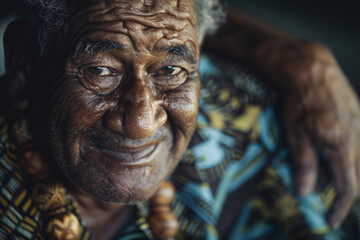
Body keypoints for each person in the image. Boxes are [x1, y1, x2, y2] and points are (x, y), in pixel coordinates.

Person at [1, 0, 360, 239]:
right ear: (24, 62)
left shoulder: (252, 122)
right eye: (100, 71)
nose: (142, 122)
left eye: (171, 69)